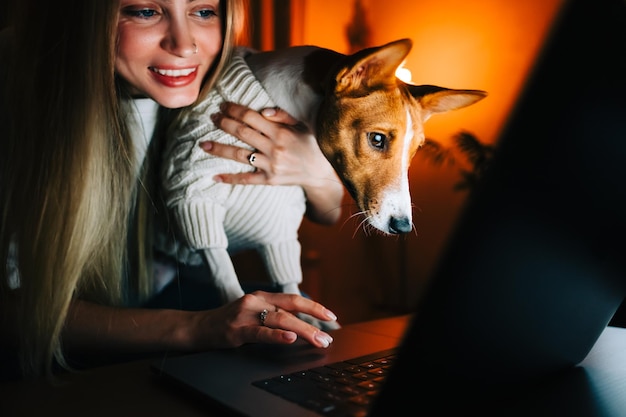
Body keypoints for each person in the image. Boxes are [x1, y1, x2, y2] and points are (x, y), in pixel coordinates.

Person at [0, 0, 344, 380]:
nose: (184, 45)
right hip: (60, 344)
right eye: (146, 11)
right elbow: (16, 312)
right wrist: (198, 328)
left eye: (203, 11)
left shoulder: (235, 81)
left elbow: (328, 214)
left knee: (301, 325)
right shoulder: (21, 92)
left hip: (163, 295)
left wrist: (314, 169)